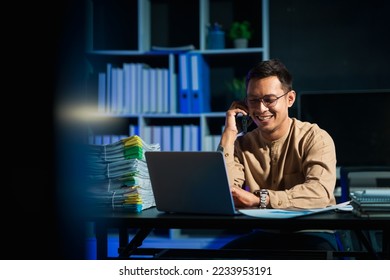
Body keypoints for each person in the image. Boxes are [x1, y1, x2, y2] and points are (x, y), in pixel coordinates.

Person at [218, 58, 339, 252]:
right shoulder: (241, 143)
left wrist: (261, 200)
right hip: (264, 234)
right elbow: (225, 191)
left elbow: (320, 193)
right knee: (216, 262)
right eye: (253, 100)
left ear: (290, 99)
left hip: (311, 233)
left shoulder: (316, 138)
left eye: (269, 99)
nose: (260, 109)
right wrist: (229, 134)